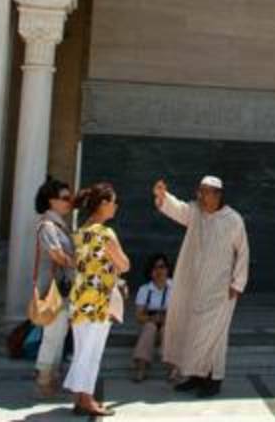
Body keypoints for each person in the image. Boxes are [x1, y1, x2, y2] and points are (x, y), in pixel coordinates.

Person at [154, 175, 250, 399]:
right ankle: (195, 376)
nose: (201, 196)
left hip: (221, 289)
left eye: (206, 192)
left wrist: (237, 283)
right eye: (200, 191)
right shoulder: (195, 212)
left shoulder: (233, 219)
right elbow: (177, 208)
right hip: (194, 285)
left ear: (218, 194)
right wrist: (162, 196)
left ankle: (214, 380)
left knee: (214, 335)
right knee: (194, 332)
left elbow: (243, 252)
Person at [62, 182, 130, 417]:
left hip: (80, 297)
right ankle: (87, 399)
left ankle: (80, 398)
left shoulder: (80, 232)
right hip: (99, 299)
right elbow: (124, 264)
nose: (116, 206)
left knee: (83, 349)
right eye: (113, 201)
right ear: (103, 204)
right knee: (92, 352)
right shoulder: (105, 233)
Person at [32, 176, 75, 397]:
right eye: (65, 198)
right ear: (51, 201)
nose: (69, 202)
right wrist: (79, 262)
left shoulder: (60, 224)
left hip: (62, 288)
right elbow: (56, 254)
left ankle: (52, 375)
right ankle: (44, 378)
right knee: (53, 334)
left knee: (59, 333)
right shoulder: (47, 225)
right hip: (53, 289)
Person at [132, 253, 174, 382]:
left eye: (162, 267)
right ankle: (141, 368)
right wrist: (152, 319)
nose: (159, 271)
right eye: (155, 268)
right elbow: (138, 316)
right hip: (149, 324)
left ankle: (172, 368)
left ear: (168, 269)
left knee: (166, 330)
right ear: (150, 272)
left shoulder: (175, 287)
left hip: (170, 324)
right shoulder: (144, 290)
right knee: (150, 328)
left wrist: (167, 318)